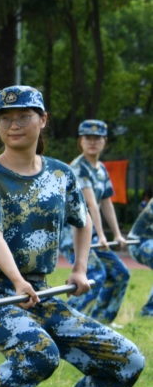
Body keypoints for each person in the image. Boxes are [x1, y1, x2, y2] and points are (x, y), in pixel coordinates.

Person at [0, 86, 144, 387]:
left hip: (40, 293)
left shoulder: (61, 174)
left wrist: (80, 269)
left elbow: (82, 222)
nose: (14, 125)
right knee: (40, 353)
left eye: (24, 116)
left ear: (42, 120)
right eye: (5, 118)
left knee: (127, 358)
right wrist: (17, 280)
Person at [63, 120, 129, 324]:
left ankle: (102, 321)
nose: (92, 142)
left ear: (105, 142)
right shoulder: (78, 168)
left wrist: (116, 234)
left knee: (120, 274)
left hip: (93, 234)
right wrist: (101, 236)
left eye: (97, 138)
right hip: (73, 235)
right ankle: (67, 322)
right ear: (80, 142)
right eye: (87, 138)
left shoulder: (100, 169)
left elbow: (106, 203)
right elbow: (91, 205)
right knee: (95, 274)